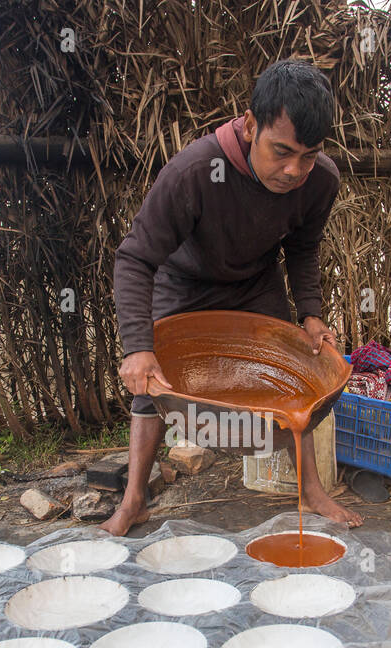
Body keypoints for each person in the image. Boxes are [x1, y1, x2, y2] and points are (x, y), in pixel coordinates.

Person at [101, 58, 363, 536]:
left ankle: (312, 490)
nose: (293, 170)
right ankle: (135, 498)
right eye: (281, 151)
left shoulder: (320, 180)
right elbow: (135, 258)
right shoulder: (196, 171)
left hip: (254, 283)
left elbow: (302, 248)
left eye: (308, 155)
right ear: (249, 125)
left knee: (297, 374)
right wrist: (138, 348)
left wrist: (310, 313)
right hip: (183, 283)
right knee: (150, 389)